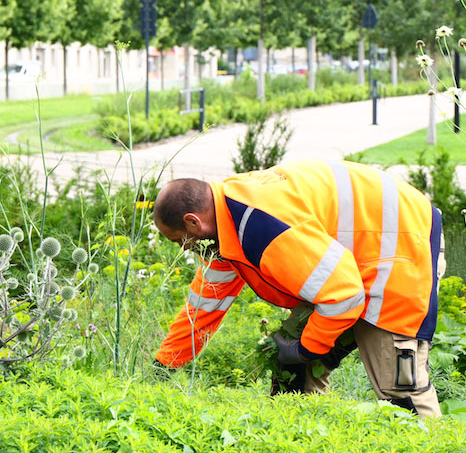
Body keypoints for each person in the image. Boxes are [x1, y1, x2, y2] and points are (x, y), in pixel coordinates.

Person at [152, 159, 446, 418]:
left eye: (180, 240)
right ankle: (305, 436)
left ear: (193, 222)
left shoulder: (262, 227)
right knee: (292, 372)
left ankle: (433, 441)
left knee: (400, 391)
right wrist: (164, 365)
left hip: (402, 248)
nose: (184, 249)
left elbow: (344, 296)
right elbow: (204, 305)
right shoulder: (225, 222)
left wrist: (307, 348)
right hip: (358, 258)